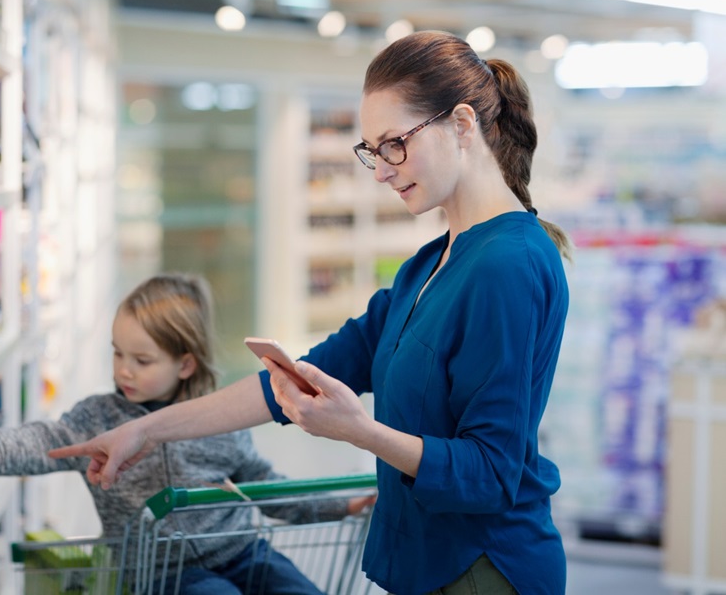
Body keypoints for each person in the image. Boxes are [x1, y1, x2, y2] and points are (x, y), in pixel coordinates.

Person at [51, 30, 572, 595]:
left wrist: (360, 432)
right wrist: (144, 431)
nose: (381, 169)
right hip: (433, 561)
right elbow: (291, 381)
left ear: (463, 124)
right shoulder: (430, 264)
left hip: (484, 568)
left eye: (395, 143)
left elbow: (491, 474)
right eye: (372, 150)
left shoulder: (509, 265)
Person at [0, 273, 372, 595]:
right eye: (118, 353)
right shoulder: (98, 418)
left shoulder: (217, 419)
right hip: (162, 574)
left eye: (142, 360)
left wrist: (338, 505)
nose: (124, 368)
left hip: (242, 551)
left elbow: (262, 485)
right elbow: (34, 443)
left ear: (185, 364)